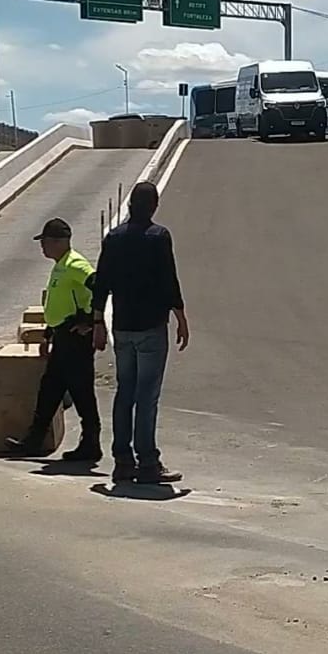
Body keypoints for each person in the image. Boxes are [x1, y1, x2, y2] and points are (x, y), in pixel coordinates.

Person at [92, 180, 189, 486]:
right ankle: (148, 462)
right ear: (154, 206)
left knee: (125, 392)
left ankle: (122, 461)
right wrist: (181, 315)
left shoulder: (113, 238)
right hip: (150, 327)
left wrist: (97, 323)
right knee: (147, 396)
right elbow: (167, 279)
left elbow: (101, 283)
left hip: (122, 327)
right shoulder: (158, 237)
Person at [6, 218, 101, 463]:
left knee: (81, 392)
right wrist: (49, 331)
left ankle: (91, 443)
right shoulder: (60, 265)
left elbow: (99, 286)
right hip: (61, 336)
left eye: (45, 241)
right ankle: (33, 441)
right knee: (50, 389)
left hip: (76, 339)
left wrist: (90, 320)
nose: (42, 246)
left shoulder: (75, 264)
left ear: (59, 242)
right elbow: (61, 301)